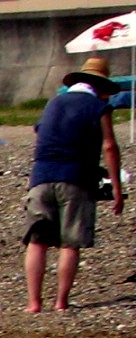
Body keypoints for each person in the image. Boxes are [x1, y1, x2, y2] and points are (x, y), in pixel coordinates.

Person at [23, 54, 124, 314]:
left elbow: (39, 131)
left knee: (37, 241)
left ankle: (34, 303)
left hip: (41, 176)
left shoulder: (53, 103)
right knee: (70, 243)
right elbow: (109, 146)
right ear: (100, 87)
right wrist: (116, 188)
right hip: (76, 178)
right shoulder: (98, 107)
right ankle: (61, 302)